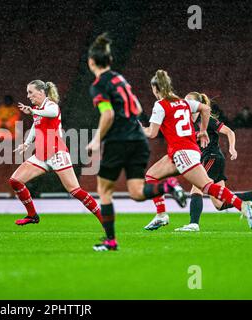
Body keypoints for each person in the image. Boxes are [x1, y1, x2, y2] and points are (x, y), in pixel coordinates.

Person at [85, 34, 187, 252]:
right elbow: (139, 108)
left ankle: (111, 241)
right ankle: (167, 185)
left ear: (91, 62)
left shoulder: (98, 85)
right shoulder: (120, 79)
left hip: (119, 140)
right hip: (138, 141)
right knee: (137, 192)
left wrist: (96, 140)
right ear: (110, 61)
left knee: (104, 190)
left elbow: (108, 114)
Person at [142, 70, 252, 232]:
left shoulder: (160, 105)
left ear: (155, 89)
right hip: (182, 151)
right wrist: (202, 130)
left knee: (206, 187)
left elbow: (152, 133)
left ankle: (241, 205)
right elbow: (205, 109)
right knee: (151, 176)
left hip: (183, 152)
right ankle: (161, 215)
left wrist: (142, 129)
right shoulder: (183, 102)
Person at [167, 92, 252, 231]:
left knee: (197, 187)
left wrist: (232, 148)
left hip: (213, 157)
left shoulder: (206, 119)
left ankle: (194, 224)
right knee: (219, 204)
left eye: (190, 101)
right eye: (185, 101)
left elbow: (229, 132)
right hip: (206, 158)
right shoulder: (186, 122)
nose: (187, 104)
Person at [9, 80, 103, 226]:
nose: (28, 96)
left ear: (41, 92)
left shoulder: (50, 105)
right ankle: (32, 215)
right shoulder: (37, 109)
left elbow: (52, 113)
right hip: (41, 155)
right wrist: (27, 143)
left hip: (57, 153)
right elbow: (35, 125)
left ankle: (104, 220)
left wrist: (33, 111)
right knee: (15, 181)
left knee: (75, 190)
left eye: (30, 92)